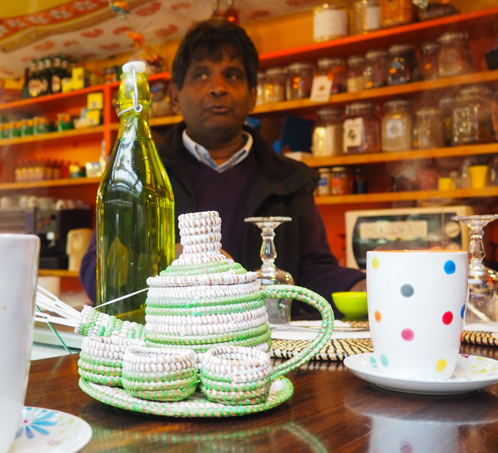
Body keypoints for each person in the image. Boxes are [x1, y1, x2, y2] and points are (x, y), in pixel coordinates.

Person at [80, 18, 365, 316]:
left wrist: (362, 285)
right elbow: (95, 271)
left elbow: (314, 270)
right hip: (166, 351)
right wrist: (167, 261)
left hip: (261, 348)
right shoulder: (139, 176)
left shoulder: (291, 178)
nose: (218, 88)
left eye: (233, 76)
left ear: (253, 95)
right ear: (175, 96)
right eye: (201, 75)